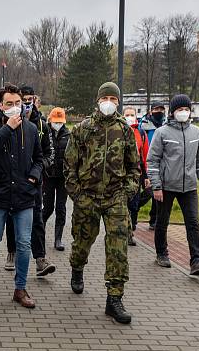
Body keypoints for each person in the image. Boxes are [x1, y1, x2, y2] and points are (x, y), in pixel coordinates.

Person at [65, 82, 140, 324]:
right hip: (87, 197)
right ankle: (77, 268)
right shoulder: (83, 129)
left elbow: (134, 167)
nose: (109, 102)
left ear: (119, 102)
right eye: (105, 97)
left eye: (113, 98)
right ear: (98, 100)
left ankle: (114, 298)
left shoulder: (125, 130)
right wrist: (77, 194)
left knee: (118, 248)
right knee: (82, 242)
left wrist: (127, 191)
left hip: (115, 198)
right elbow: (70, 165)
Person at [0, 83, 43, 309]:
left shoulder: (31, 129)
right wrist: (7, 128)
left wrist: (34, 176)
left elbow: (39, 157)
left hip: (24, 195)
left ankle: (20, 288)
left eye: (18, 103)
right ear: (1, 105)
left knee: (24, 243)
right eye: (10, 104)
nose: (15, 107)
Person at [146, 94, 199, 276]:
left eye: (186, 109)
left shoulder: (197, 132)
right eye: (180, 109)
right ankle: (161, 253)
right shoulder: (162, 133)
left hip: (189, 186)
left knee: (193, 223)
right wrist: (156, 186)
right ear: (173, 112)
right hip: (166, 186)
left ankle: (196, 260)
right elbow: (152, 161)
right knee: (162, 222)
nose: (183, 112)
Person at [3, 85, 54, 277]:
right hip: (13, 181)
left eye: (29, 100)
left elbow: (49, 154)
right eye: (22, 100)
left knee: (36, 219)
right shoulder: (8, 122)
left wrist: (38, 171)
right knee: (11, 217)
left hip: (35, 182)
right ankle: (12, 252)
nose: (25, 104)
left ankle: (40, 258)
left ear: (35, 100)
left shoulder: (41, 125)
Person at [42, 107, 70, 251]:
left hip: (62, 178)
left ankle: (58, 239)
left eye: (60, 122)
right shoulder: (45, 132)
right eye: (55, 121)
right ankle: (40, 233)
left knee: (61, 208)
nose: (57, 124)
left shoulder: (68, 135)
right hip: (47, 176)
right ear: (50, 120)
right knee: (47, 208)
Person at [123, 106, 151, 247]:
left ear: (136, 116)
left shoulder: (141, 133)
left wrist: (146, 175)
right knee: (122, 203)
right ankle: (124, 231)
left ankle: (132, 228)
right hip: (121, 173)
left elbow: (145, 156)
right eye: (127, 114)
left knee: (134, 203)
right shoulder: (120, 130)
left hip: (137, 173)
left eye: (131, 114)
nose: (129, 117)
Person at [139, 101, 166, 231]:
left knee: (158, 193)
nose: (159, 111)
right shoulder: (143, 126)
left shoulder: (166, 125)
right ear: (150, 111)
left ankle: (154, 220)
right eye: (156, 109)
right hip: (145, 162)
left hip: (162, 163)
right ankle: (133, 207)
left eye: (161, 109)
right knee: (148, 192)